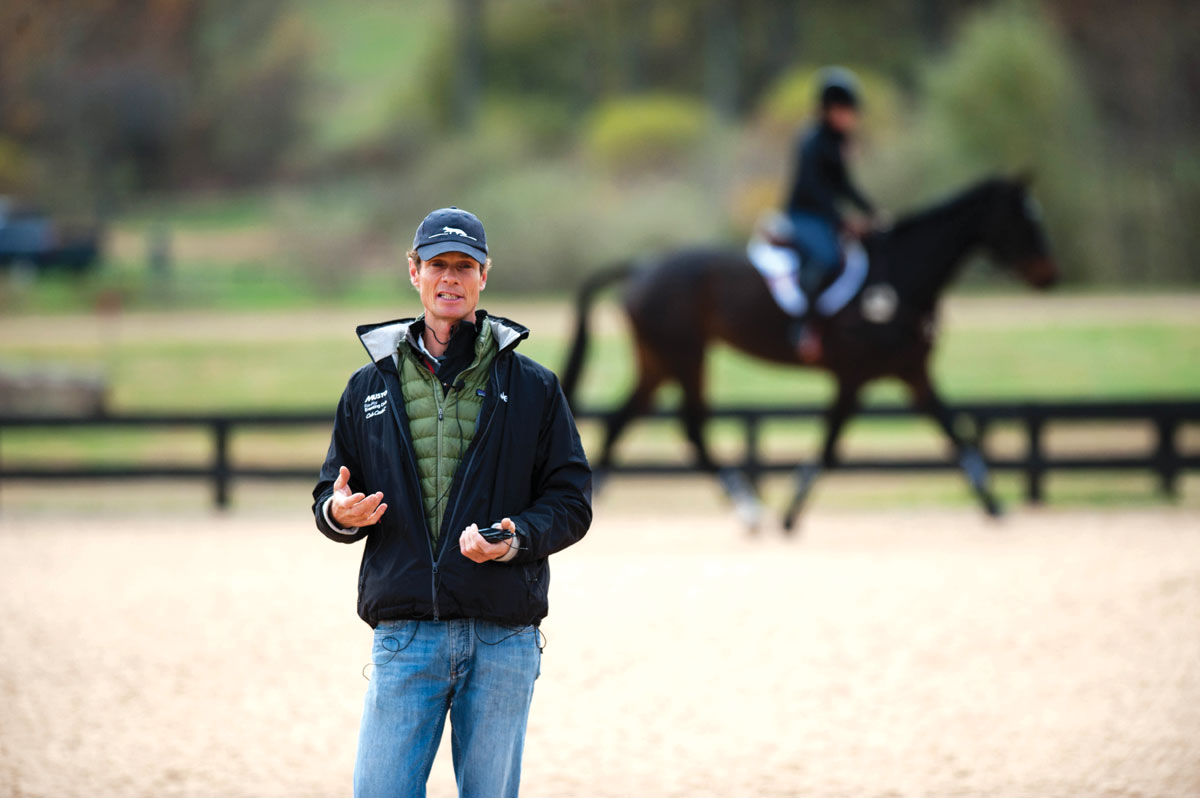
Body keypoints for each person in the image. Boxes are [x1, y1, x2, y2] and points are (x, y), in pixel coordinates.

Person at [311, 206, 592, 797]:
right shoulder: (366, 388)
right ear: (414, 271)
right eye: (438, 264)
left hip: (503, 638)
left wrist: (516, 539)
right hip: (405, 636)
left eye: (464, 266)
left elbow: (571, 502)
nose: (451, 278)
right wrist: (339, 514)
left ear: (484, 275)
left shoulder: (536, 386)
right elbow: (327, 495)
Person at [782, 66, 882, 362]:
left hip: (824, 215)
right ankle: (804, 327)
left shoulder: (837, 142)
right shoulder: (811, 142)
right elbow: (813, 189)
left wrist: (872, 211)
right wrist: (841, 220)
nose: (853, 117)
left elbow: (843, 185)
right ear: (830, 110)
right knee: (826, 258)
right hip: (804, 215)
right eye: (847, 110)